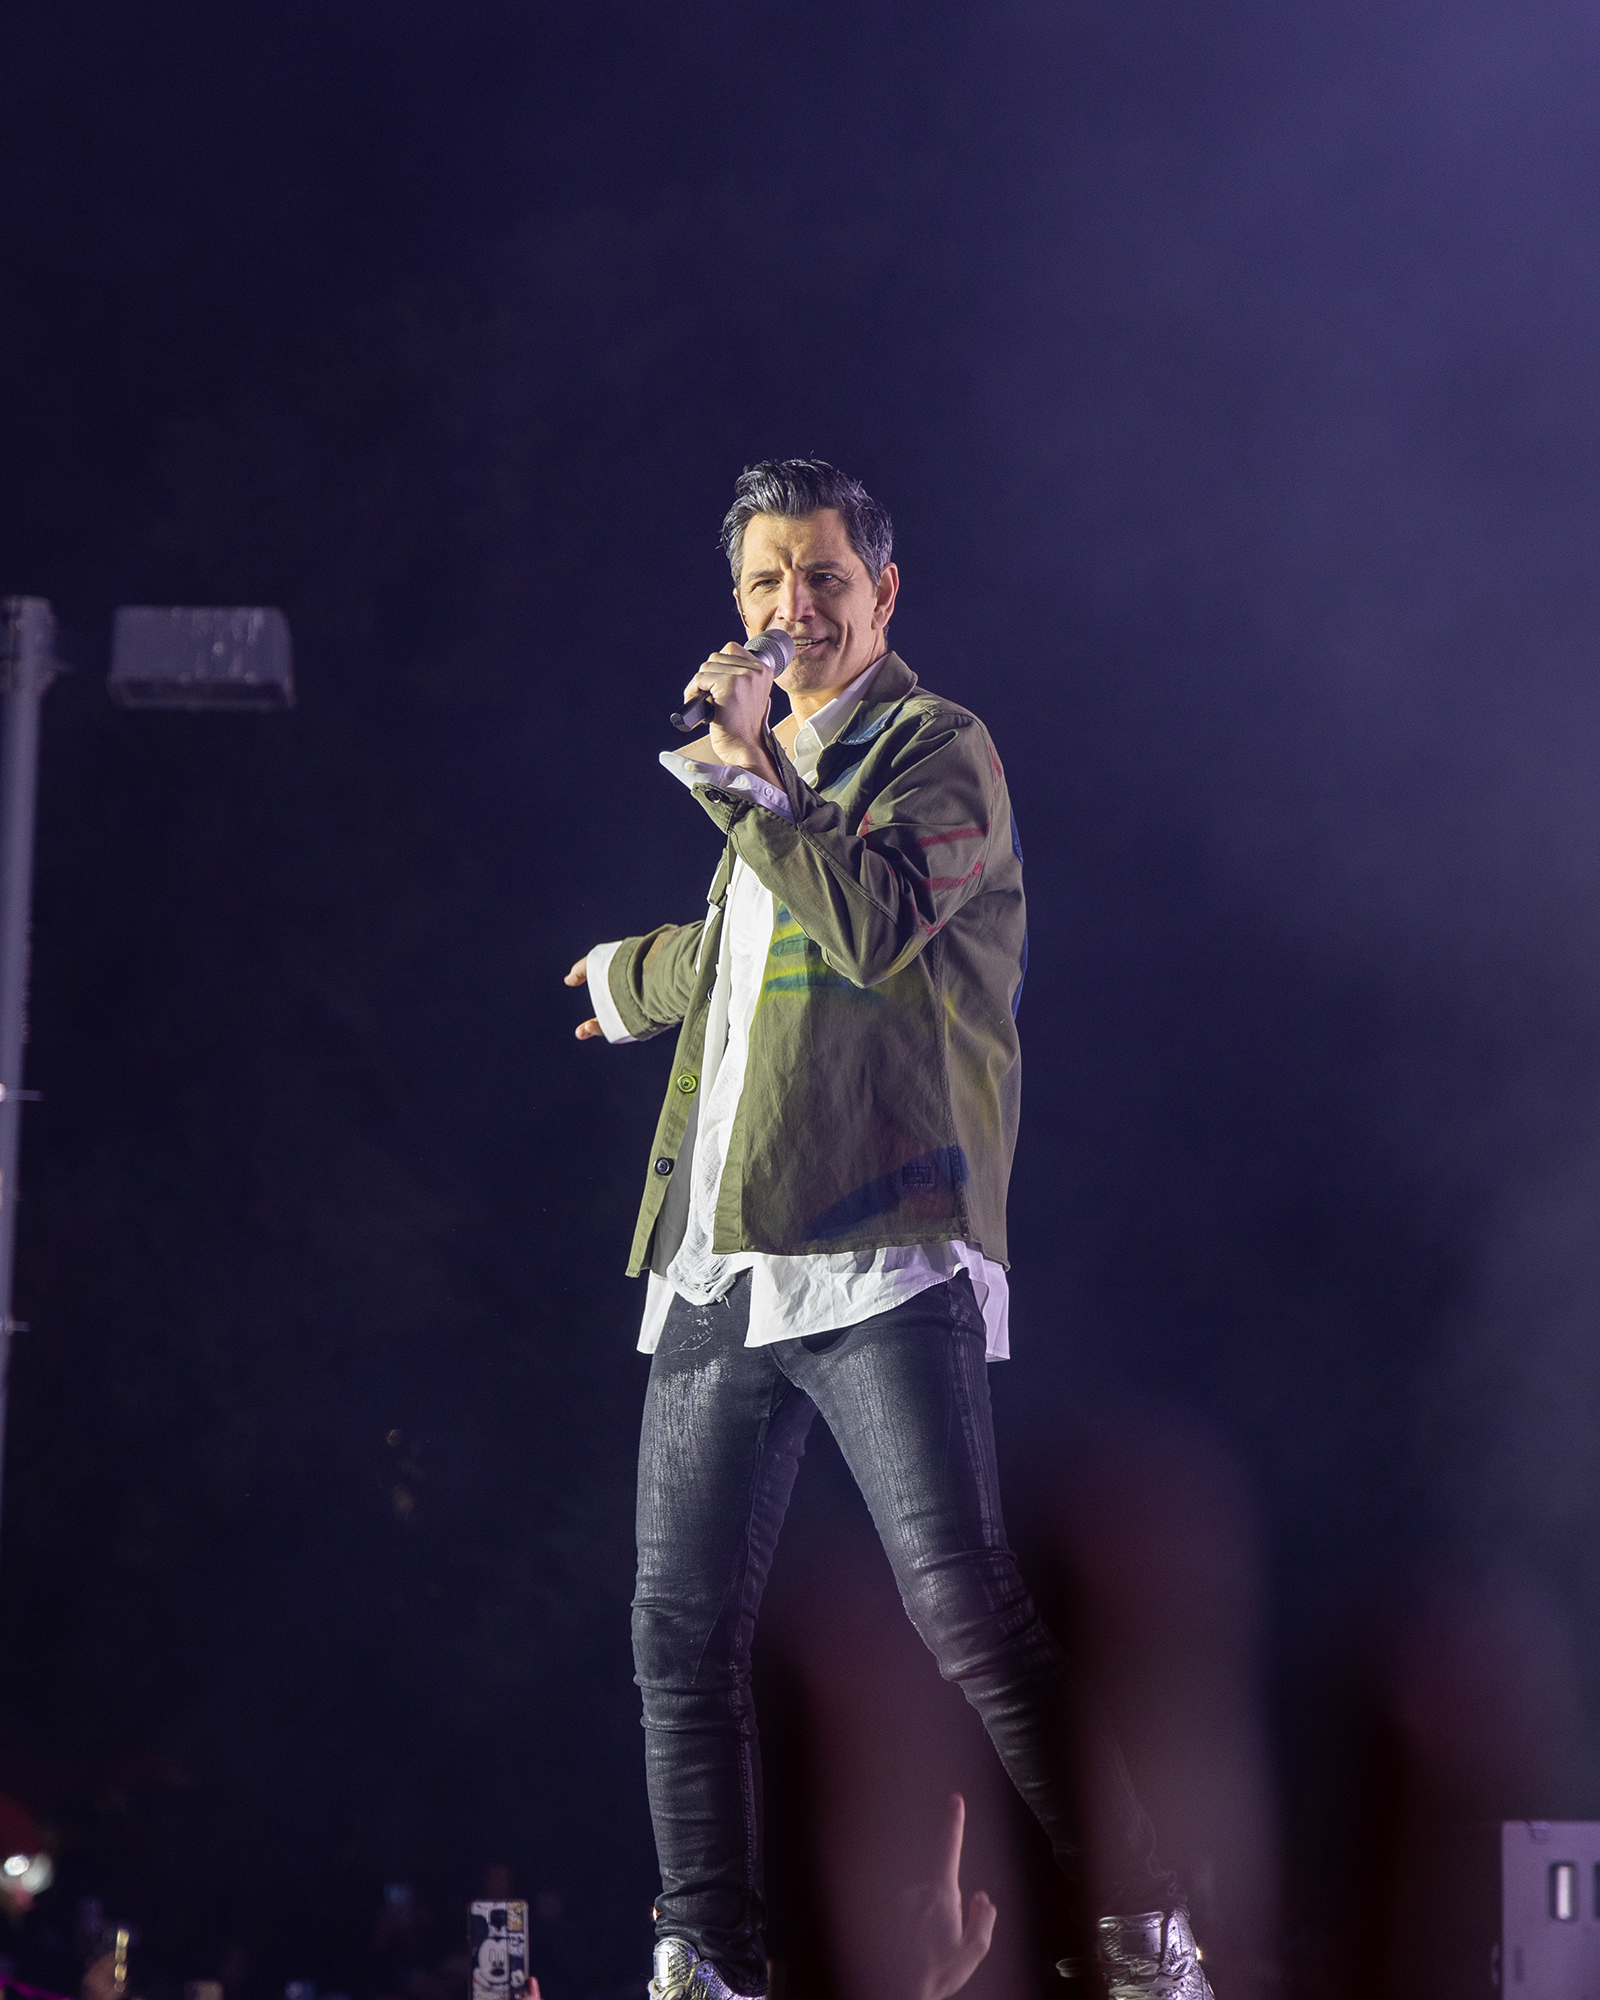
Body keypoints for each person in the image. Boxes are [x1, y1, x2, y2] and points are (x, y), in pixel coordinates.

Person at [565, 460, 1215, 2000]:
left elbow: (864, 921)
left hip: (874, 1235)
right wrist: (626, 982)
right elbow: (743, 947)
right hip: (722, 1251)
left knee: (959, 1604)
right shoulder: (774, 773)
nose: (791, 608)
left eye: (823, 579)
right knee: (677, 1631)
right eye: (764, 583)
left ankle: (1147, 1927)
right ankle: (707, 1955)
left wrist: (745, 775)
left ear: (882, 594)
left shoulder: (936, 749)